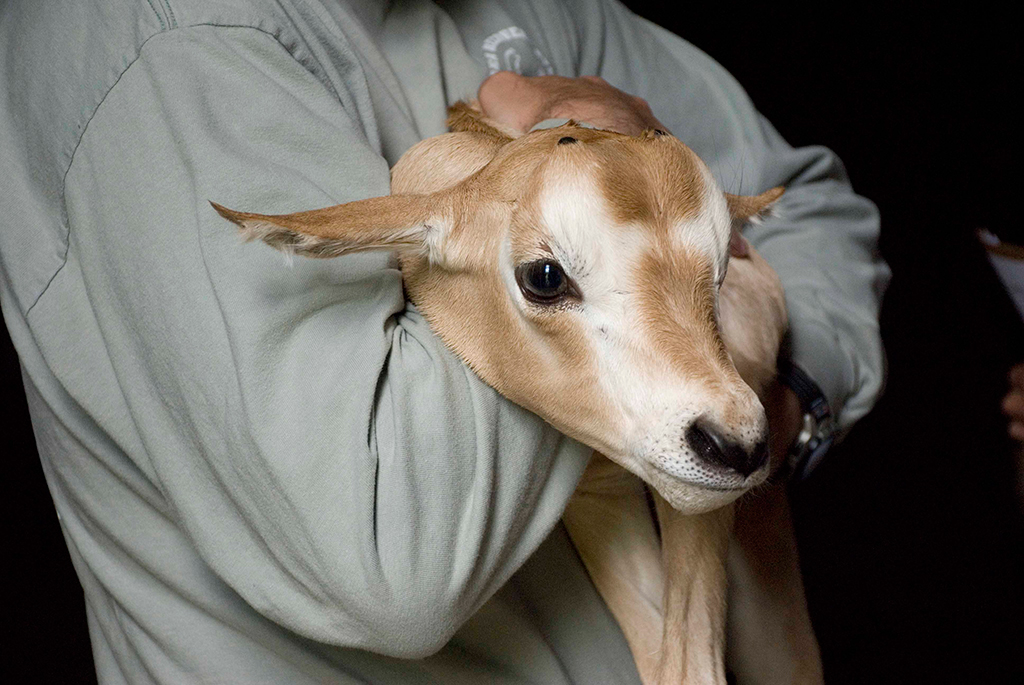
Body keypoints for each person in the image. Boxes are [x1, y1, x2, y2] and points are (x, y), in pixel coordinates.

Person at [0, 1, 889, 682]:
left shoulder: (531, 11)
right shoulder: (162, 45)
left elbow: (800, 195)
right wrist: (581, 192)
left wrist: (786, 401)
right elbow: (390, 554)